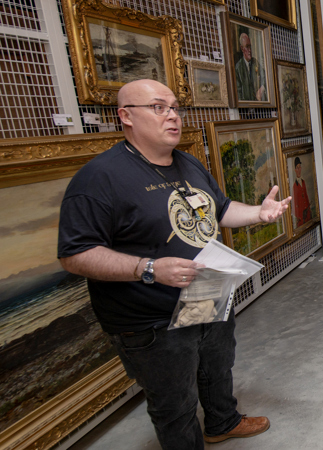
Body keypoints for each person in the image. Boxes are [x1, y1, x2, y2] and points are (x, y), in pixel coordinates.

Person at [57, 80, 291, 449]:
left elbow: (221, 208)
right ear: (126, 116)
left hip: (207, 295)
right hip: (150, 319)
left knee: (218, 367)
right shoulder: (99, 178)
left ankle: (222, 422)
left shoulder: (187, 161)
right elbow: (74, 254)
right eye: (158, 107)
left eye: (175, 107)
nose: (172, 116)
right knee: (175, 404)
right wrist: (148, 268)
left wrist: (259, 214)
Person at [235, 32, 267, 101]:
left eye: (250, 46)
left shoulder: (255, 62)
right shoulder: (238, 68)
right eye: (247, 47)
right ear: (242, 48)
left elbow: (266, 78)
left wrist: (262, 89)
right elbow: (239, 95)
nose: (249, 50)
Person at [292, 157, 312, 226]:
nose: (299, 170)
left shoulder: (303, 182)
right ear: (295, 170)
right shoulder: (295, 186)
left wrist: (309, 210)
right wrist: (300, 216)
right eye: (297, 168)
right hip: (302, 217)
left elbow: (306, 196)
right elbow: (296, 204)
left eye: (300, 167)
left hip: (307, 214)